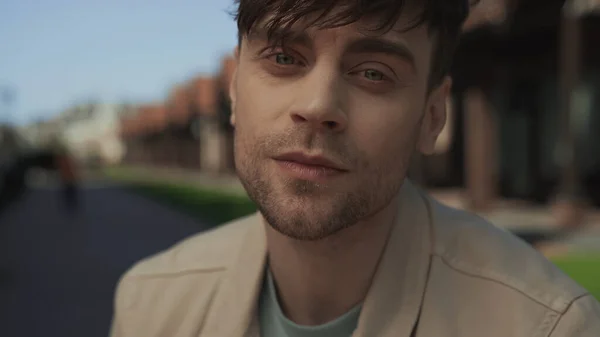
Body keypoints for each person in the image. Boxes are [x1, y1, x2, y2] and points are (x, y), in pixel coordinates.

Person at [110, 0, 600, 336]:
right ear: (235, 89)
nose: (319, 104)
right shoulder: (151, 304)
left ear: (432, 116)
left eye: (373, 73)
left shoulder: (546, 326)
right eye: (284, 57)